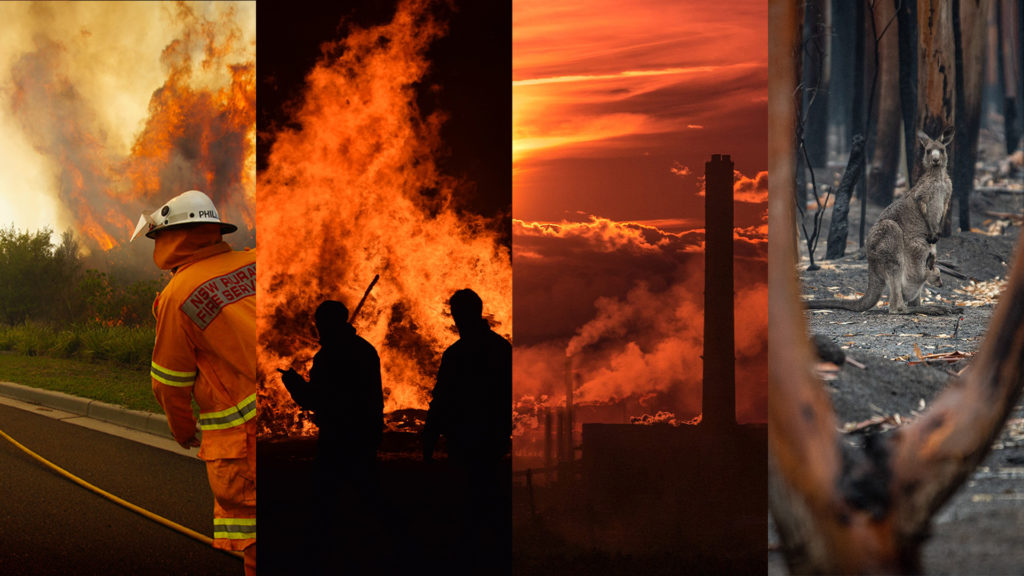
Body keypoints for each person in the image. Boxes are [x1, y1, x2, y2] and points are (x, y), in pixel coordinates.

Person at [131, 189, 257, 575]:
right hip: (301, 412)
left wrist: (183, 429)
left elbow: (170, 381)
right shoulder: (256, 260)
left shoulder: (177, 294)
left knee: (254, 538)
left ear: (172, 238)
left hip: (245, 437)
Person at [279, 299, 383, 574]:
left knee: (325, 493)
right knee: (365, 485)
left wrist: (293, 383)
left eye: (320, 324)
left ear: (326, 324)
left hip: (339, 434)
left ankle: (325, 552)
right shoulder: (365, 350)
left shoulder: (330, 356)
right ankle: (375, 542)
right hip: (367, 430)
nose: (317, 329)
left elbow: (316, 399)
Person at [422, 288, 512, 573]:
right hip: (491, 435)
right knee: (485, 489)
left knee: (469, 494)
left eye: (456, 312)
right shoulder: (501, 347)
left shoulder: (458, 354)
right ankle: (490, 549)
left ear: (459, 315)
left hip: (466, 436)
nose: (455, 318)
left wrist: (430, 437)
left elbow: (443, 398)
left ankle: (471, 553)